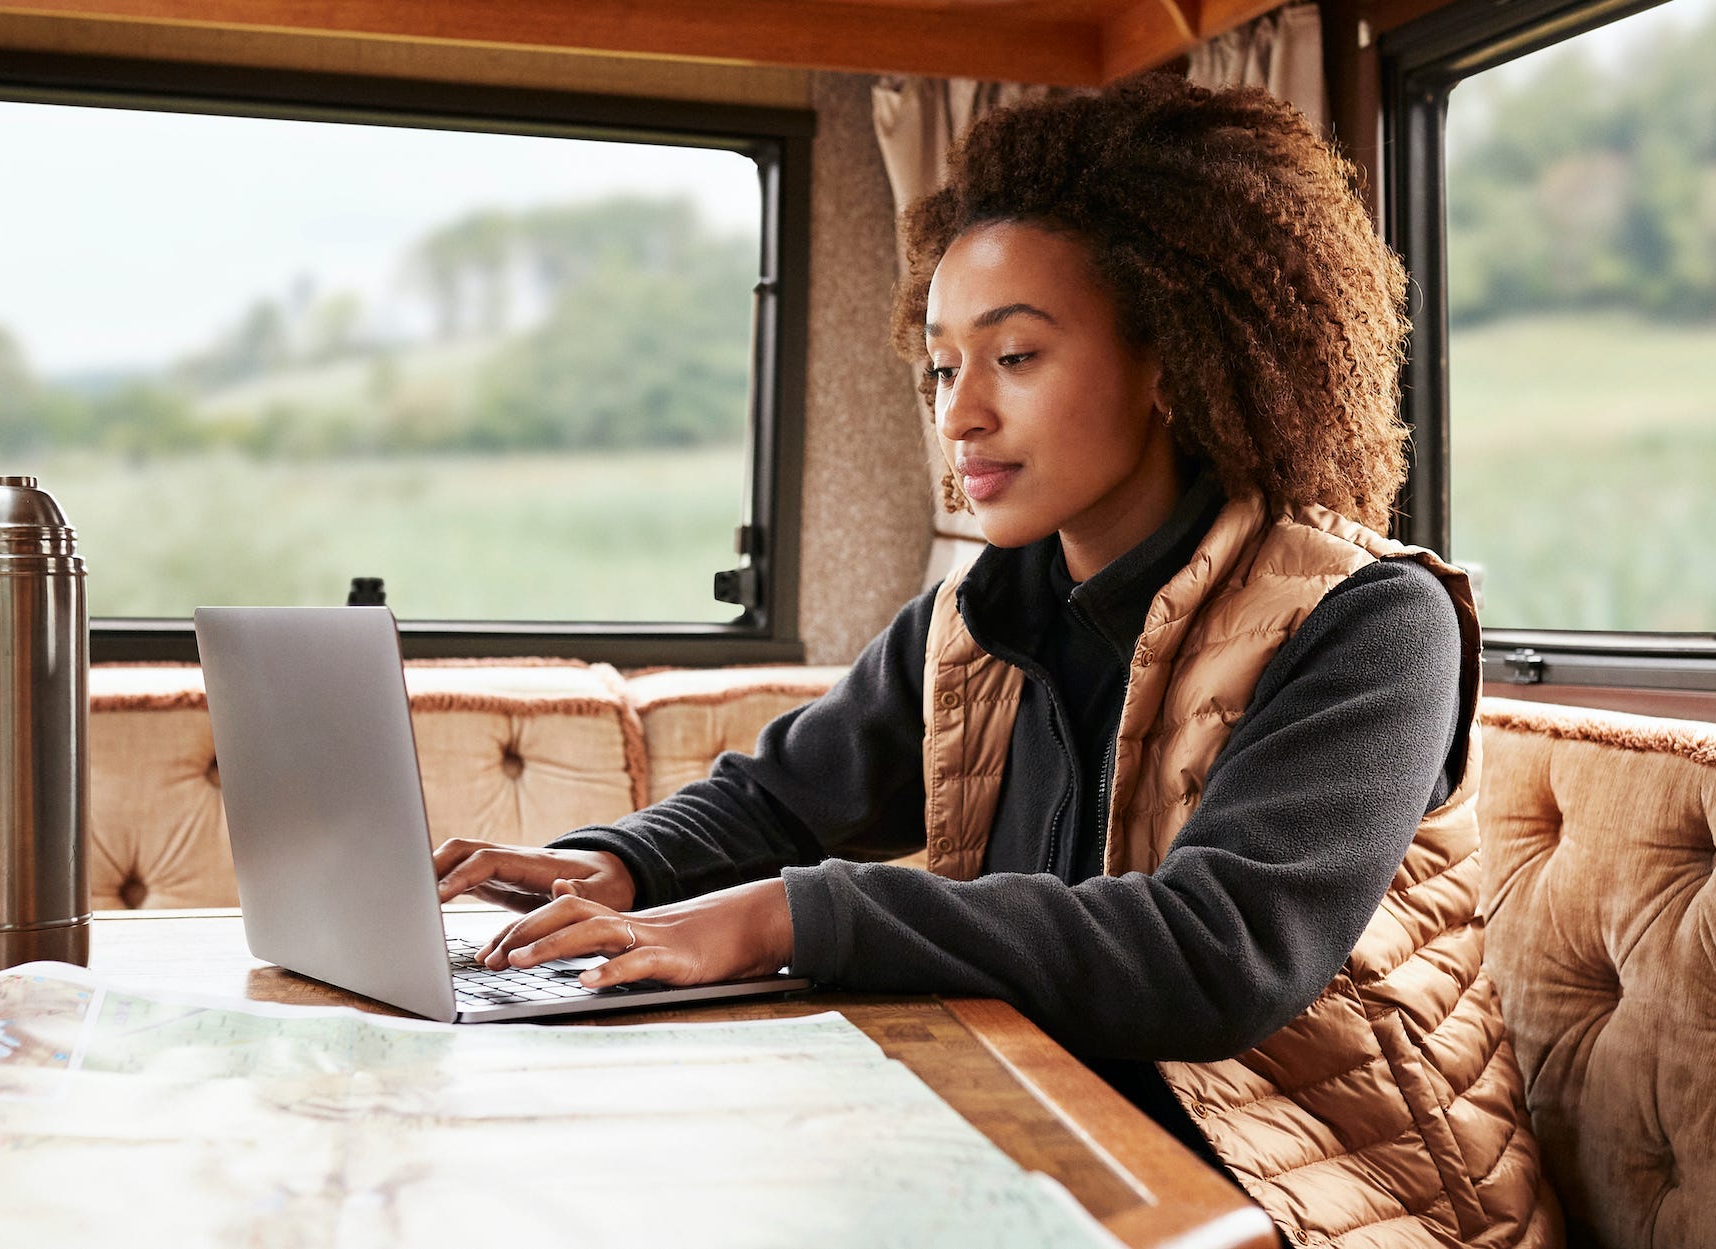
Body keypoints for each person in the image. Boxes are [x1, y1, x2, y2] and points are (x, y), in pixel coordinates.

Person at [433, 75, 1554, 1248]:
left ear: (1171, 360)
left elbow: (1219, 953)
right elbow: (777, 796)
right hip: (1052, 1152)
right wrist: (606, 865)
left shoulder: (1372, 620)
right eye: (939, 366)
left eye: (1013, 356)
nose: (958, 414)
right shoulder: (976, 614)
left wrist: (783, 918)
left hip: (1338, 1205)